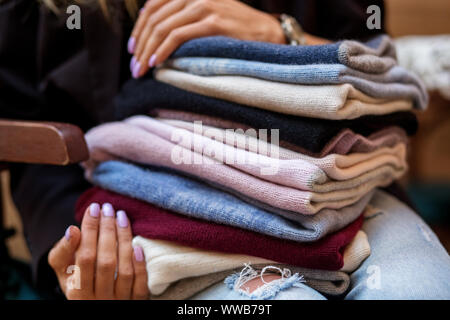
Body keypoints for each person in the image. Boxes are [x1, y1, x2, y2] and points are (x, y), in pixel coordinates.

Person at [0, 0, 402, 299]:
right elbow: (38, 145)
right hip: (149, 239)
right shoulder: (38, 12)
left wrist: (280, 35)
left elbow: (383, 86)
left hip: (349, 201)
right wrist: (80, 250)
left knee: (421, 289)